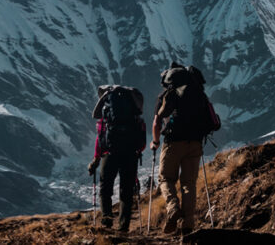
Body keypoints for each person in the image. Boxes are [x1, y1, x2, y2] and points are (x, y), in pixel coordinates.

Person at [150, 62, 220, 235]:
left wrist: (156, 142)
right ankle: (188, 226)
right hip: (195, 143)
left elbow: (157, 121)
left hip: (173, 142)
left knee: (166, 178)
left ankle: (173, 208)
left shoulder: (169, 94)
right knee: (189, 184)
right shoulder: (199, 94)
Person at [88, 85, 145, 232]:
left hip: (110, 153)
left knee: (105, 188)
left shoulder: (107, 115)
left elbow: (100, 137)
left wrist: (96, 159)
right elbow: (142, 138)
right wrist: (136, 150)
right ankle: (123, 226)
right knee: (126, 190)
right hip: (130, 154)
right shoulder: (134, 115)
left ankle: (107, 219)